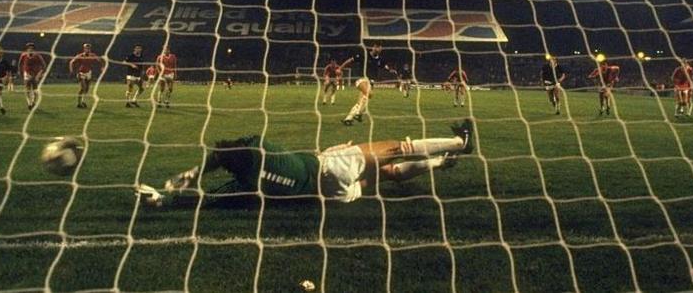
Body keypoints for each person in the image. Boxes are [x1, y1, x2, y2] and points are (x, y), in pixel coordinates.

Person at [137, 120, 474, 207]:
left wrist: (163, 196)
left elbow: (209, 197)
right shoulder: (260, 148)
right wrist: (197, 169)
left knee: (386, 176)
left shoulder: (246, 186)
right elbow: (231, 150)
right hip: (332, 166)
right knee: (398, 148)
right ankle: (461, 142)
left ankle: (441, 163)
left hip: (332, 195)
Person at [342, 42, 396, 126]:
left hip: (370, 82)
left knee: (362, 101)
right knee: (369, 94)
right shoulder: (364, 55)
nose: (378, 49)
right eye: (377, 47)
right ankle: (359, 114)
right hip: (361, 79)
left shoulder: (380, 59)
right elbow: (351, 60)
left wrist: (390, 70)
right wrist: (340, 68)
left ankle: (348, 119)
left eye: (380, 48)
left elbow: (384, 66)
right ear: (373, 47)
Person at [69, 43, 103, 109]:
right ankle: (79, 103)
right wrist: (71, 70)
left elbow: (100, 60)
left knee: (87, 89)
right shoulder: (80, 55)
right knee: (83, 88)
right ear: (84, 49)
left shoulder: (92, 55)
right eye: (86, 48)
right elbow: (71, 62)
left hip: (88, 73)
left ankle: (83, 102)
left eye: (89, 48)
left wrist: (102, 67)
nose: (88, 49)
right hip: (81, 73)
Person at [18, 42, 47, 110]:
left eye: (32, 48)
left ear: (34, 49)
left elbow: (44, 65)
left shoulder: (38, 56)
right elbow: (20, 64)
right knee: (27, 89)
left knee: (35, 89)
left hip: (35, 74)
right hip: (27, 74)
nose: (30, 49)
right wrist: (20, 72)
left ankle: (33, 102)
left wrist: (40, 74)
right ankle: (29, 103)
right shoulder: (23, 55)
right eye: (29, 48)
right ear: (27, 49)